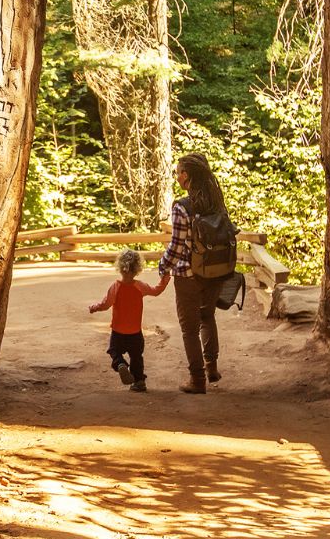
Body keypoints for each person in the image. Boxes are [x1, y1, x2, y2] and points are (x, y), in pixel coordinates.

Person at [159, 153, 235, 394]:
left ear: (186, 176)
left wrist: (163, 266)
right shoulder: (216, 201)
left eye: (179, 171)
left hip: (188, 275)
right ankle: (211, 367)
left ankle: (197, 379)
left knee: (189, 328)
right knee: (207, 316)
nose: (177, 176)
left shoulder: (182, 206)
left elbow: (177, 245)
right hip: (215, 270)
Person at [88, 249, 169, 393]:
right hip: (135, 332)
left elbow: (106, 304)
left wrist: (95, 307)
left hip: (118, 331)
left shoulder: (116, 287)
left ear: (120, 267)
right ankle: (139, 382)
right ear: (138, 269)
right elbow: (156, 291)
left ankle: (120, 364)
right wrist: (165, 278)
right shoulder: (140, 286)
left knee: (114, 351)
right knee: (137, 357)